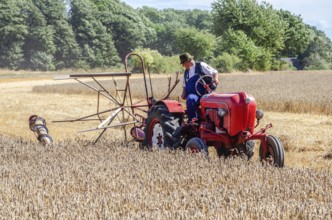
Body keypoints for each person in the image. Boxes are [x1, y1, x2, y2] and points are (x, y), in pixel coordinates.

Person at [179, 52, 219, 122]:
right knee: (191, 99)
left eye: (183, 63)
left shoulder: (200, 66)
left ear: (188, 61)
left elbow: (214, 72)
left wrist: (216, 79)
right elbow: (184, 85)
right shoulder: (186, 72)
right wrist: (183, 93)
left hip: (205, 93)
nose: (183, 65)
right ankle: (193, 121)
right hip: (194, 95)